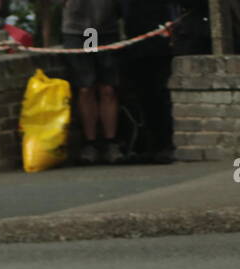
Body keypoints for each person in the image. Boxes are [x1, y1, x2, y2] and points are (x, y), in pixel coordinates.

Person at [61, 0, 123, 164]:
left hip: (105, 29)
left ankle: (111, 142)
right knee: (85, 87)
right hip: (78, 29)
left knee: (108, 88)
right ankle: (90, 143)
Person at [121, 0, 175, 164]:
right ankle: (150, 145)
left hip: (160, 42)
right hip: (135, 42)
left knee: (160, 93)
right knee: (144, 95)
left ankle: (166, 144)